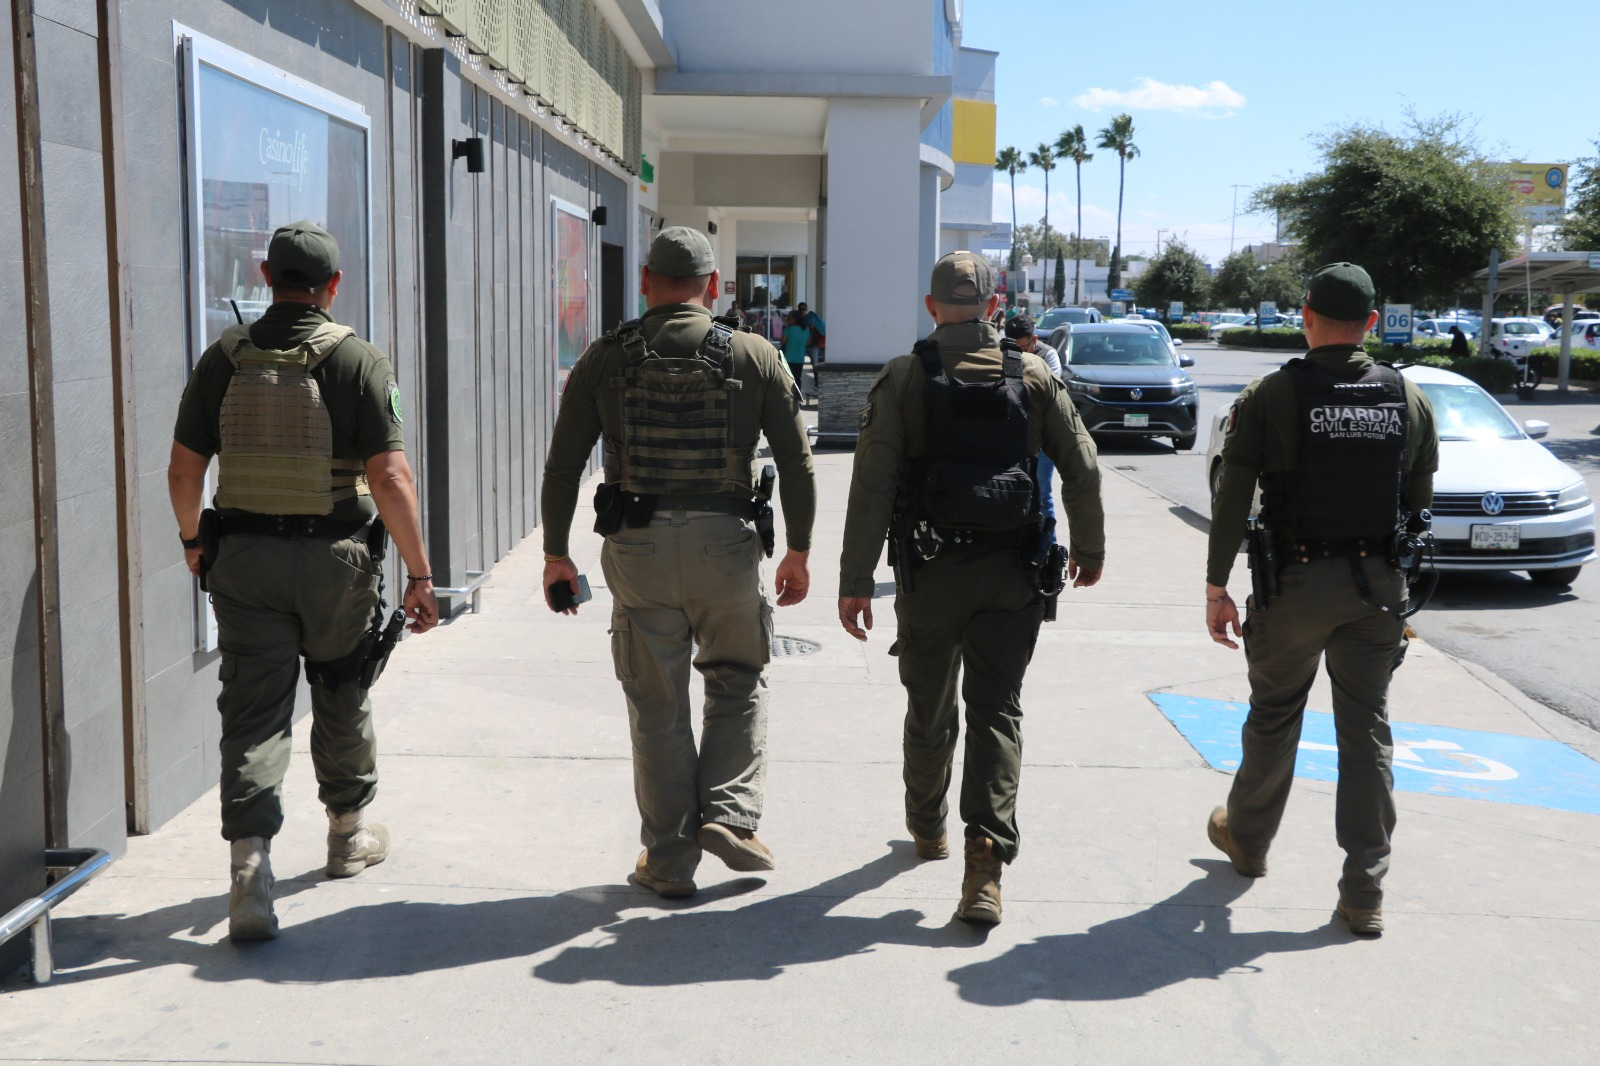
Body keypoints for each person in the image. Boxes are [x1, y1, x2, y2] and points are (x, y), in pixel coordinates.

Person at [167, 220, 439, 941]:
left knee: (253, 712)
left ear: (266, 275)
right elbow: (391, 477)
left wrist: (194, 541)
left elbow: (184, 471)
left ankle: (250, 871)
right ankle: (347, 835)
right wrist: (420, 574)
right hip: (334, 565)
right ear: (333, 286)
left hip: (244, 563)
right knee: (342, 689)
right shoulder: (358, 361)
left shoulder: (222, 359)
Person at [541, 226, 817, 898]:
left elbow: (563, 466)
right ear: (713, 285)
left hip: (636, 549)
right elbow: (797, 462)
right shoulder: (754, 354)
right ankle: (730, 814)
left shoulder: (605, 357)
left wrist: (556, 554)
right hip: (726, 546)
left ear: (645, 281)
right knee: (738, 676)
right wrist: (799, 550)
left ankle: (667, 861)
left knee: (656, 703)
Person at [837, 251, 1106, 924]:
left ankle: (927, 825)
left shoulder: (905, 377)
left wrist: (855, 581)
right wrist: (1090, 548)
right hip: (1012, 575)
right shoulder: (1033, 374)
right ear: (993, 306)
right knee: (996, 711)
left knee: (929, 709)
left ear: (931, 307)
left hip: (930, 576)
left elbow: (872, 485)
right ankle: (984, 865)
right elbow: (1083, 466)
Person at [1204, 262, 1439, 938]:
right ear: (1372, 322)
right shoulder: (1407, 396)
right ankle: (1364, 891)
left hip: (1295, 585)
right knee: (1366, 732)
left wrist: (1217, 586)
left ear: (1305, 315)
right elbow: (1419, 503)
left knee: (1275, 714)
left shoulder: (1273, 394)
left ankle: (1248, 840)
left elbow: (1232, 497)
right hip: (1378, 591)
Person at [1003, 314, 1062, 540]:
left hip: (1041, 438)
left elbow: (1050, 391)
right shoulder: (1001, 353)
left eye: (1023, 348)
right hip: (1011, 436)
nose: (1018, 354)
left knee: (1042, 495)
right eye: (1013, 348)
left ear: (1034, 340)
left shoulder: (1049, 356)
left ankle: (1048, 547)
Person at [781, 309, 812, 404]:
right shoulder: (806, 330)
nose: (787, 320)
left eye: (789, 318)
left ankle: (788, 399)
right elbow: (808, 342)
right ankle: (797, 398)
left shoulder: (788, 329)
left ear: (795, 319)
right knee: (797, 379)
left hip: (788, 358)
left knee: (787, 379)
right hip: (800, 359)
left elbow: (782, 341)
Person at [796, 300, 825, 365]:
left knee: (815, 363)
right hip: (804, 345)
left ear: (806, 309)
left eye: (804, 309)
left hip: (814, 345)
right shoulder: (803, 319)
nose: (802, 311)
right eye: (800, 309)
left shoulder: (810, 318)